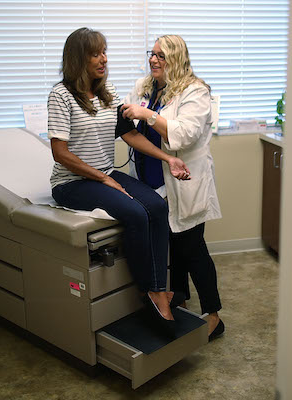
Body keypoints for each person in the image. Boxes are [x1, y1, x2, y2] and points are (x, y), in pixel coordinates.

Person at [48, 27, 190, 329]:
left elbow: (130, 135)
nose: (104, 59)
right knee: (136, 213)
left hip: (104, 173)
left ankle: (158, 288)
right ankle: (151, 292)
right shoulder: (61, 95)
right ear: (78, 58)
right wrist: (104, 179)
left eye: (104, 52)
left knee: (158, 207)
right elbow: (60, 153)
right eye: (96, 54)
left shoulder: (107, 93)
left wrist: (168, 158)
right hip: (71, 182)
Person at [121, 35, 224, 340]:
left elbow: (186, 133)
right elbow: (126, 118)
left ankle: (214, 316)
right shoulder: (145, 87)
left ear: (176, 58)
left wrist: (148, 115)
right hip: (149, 181)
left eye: (161, 55)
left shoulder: (196, 91)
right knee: (170, 249)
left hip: (182, 182)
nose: (153, 60)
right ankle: (179, 299)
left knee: (192, 249)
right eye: (151, 54)